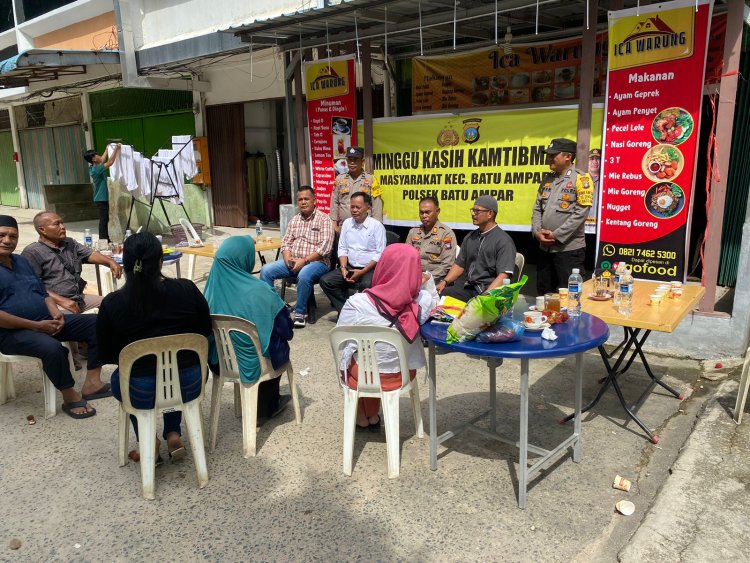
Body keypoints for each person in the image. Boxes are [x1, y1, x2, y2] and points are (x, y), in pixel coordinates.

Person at [96, 232, 211, 462]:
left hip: (139, 391)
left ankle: (148, 442)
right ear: (161, 261)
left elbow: (107, 354)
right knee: (171, 373)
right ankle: (173, 433)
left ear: (125, 263)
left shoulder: (112, 304)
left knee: (127, 376)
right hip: (190, 382)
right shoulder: (187, 289)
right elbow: (205, 330)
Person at [0, 215, 108, 419]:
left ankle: (93, 383)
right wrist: (36, 326)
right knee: (53, 349)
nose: (7, 240)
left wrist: (56, 313)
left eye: (13, 236)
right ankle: (69, 396)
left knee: (98, 323)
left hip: (47, 321)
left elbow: (42, 291)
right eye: (2, 235)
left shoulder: (20, 261)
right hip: (11, 333)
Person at [336, 243, 439, 430]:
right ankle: (372, 415)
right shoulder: (422, 301)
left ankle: (362, 415)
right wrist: (427, 279)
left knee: (356, 356)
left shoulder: (357, 303)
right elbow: (435, 302)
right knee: (374, 359)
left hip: (365, 375)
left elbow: (341, 342)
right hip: (403, 374)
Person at [204, 236, 293, 424]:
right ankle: (266, 407)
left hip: (221, 363)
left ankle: (259, 402)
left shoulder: (209, 291)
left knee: (253, 342)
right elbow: (286, 329)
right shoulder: (261, 291)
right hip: (255, 364)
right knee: (274, 343)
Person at [260, 186, 333, 328]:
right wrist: (287, 257)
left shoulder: (324, 220)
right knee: (266, 271)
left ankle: (299, 313)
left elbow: (325, 248)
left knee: (305, 274)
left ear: (314, 201)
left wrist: (304, 260)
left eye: (306, 199)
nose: (303, 202)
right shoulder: (295, 220)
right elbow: (286, 242)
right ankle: (276, 308)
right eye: (300, 199)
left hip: (317, 262)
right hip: (293, 261)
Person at [21, 212, 123, 313]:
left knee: (115, 303)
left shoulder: (70, 243)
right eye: (57, 224)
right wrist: (62, 301)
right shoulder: (32, 252)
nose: (62, 227)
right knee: (73, 322)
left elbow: (90, 254)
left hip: (78, 298)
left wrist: (110, 261)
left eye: (62, 223)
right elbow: (32, 286)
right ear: (42, 229)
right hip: (55, 303)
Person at [531, 138, 594, 295]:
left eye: (554, 155)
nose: (550, 158)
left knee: (569, 295)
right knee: (544, 292)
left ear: (568, 156)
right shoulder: (547, 179)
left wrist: (557, 235)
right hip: (544, 248)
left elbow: (581, 213)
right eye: (549, 155)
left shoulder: (582, 179)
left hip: (569, 250)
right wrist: (537, 232)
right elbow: (537, 208)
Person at [436, 196, 517, 301]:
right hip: (469, 288)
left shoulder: (504, 241)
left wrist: (485, 297)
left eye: (477, 211)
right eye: (473, 210)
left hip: (488, 292)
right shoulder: (470, 237)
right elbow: (459, 264)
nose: (473, 214)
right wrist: (444, 282)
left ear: (490, 214)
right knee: (439, 294)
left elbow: (504, 276)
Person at [320, 192, 386, 314]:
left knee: (366, 284)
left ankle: (363, 313)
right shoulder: (347, 223)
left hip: (370, 268)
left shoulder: (377, 226)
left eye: (358, 207)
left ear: (368, 208)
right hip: (349, 265)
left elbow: (380, 254)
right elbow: (343, 248)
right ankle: (347, 310)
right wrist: (343, 268)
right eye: (352, 207)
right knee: (326, 281)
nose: (354, 210)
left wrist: (362, 272)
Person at [329, 146, 383, 233]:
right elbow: (334, 202)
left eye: (356, 160)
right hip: (344, 228)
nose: (352, 163)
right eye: (350, 159)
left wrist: (377, 226)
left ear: (362, 162)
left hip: (365, 228)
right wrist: (334, 224)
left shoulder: (371, 179)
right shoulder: (339, 179)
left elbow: (377, 204)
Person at [406, 196, 456, 284]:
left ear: (438, 211)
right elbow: (406, 257)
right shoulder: (413, 232)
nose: (424, 216)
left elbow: (447, 265)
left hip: (436, 278)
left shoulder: (446, 233)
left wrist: (428, 276)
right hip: (413, 275)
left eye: (428, 212)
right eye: (421, 213)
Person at [83, 143, 121, 242]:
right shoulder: (96, 169)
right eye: (96, 155)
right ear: (93, 159)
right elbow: (110, 162)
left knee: (105, 219)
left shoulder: (95, 167)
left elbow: (103, 160)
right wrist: (116, 149)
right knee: (104, 220)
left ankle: (105, 238)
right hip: (101, 198)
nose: (99, 156)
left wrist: (107, 149)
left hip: (100, 198)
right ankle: (103, 239)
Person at [585, 148, 601, 234]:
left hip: (599, 230)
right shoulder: (580, 180)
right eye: (591, 159)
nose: (594, 161)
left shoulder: (606, 182)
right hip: (581, 230)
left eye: (598, 158)